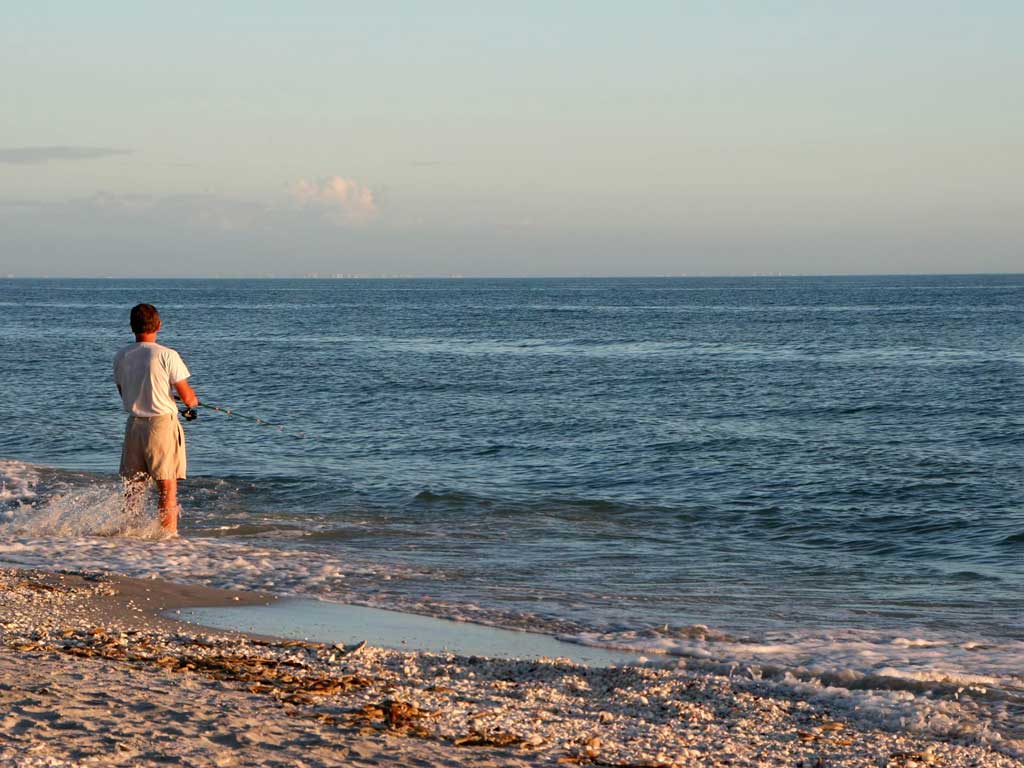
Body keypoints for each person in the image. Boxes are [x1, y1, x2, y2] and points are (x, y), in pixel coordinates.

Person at [113, 303, 198, 535]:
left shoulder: (122, 355)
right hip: (160, 426)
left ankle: (129, 534)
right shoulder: (167, 355)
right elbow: (187, 396)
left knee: (133, 489)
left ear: (132, 327)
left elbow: (124, 391)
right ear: (159, 325)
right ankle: (167, 539)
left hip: (133, 426)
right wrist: (191, 404)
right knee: (167, 487)